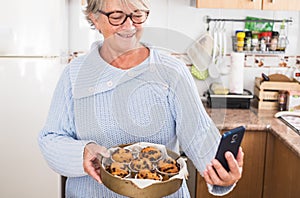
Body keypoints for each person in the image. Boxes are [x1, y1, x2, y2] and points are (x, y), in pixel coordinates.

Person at [38, 0, 244, 197]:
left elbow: (199, 135)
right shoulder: (75, 73)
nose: (129, 26)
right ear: (95, 19)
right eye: (117, 17)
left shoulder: (172, 71)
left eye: (137, 15)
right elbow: (51, 139)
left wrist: (221, 171)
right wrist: (81, 153)